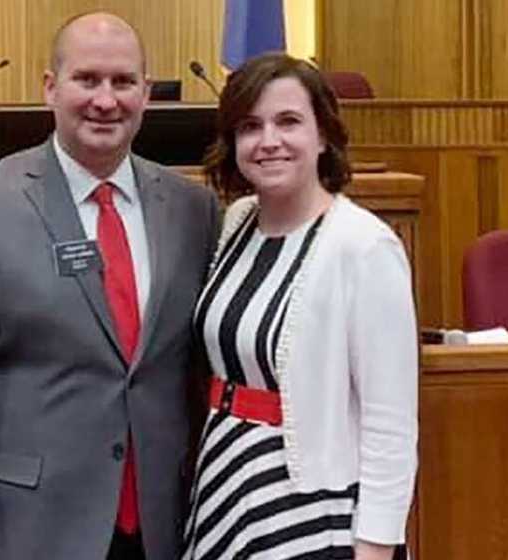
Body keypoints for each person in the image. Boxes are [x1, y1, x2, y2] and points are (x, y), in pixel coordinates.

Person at [0, 12, 220, 560]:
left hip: (165, 528)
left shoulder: (193, 209)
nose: (106, 100)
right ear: (50, 88)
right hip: (30, 531)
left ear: (146, 94)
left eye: (123, 82)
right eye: (87, 79)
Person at [183, 54, 418, 560]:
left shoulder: (362, 245)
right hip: (227, 478)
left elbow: (390, 424)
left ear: (324, 135)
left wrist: (376, 547)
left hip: (311, 503)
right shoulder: (237, 223)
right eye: (250, 126)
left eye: (288, 121)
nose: (269, 140)